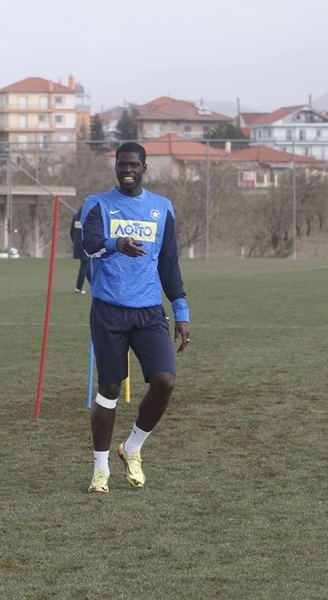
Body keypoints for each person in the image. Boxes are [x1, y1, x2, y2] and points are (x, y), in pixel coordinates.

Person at [80, 141, 191, 494]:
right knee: (109, 390)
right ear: (115, 166)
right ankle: (100, 469)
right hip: (109, 310)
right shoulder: (97, 204)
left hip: (148, 311)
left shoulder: (162, 208)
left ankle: (132, 448)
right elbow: (89, 246)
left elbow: (169, 263)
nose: (127, 169)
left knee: (165, 381)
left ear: (145, 168)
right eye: (122, 164)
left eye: (134, 165)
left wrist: (181, 310)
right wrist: (116, 244)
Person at [69, 209, 91, 294]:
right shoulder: (88, 217)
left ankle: (93, 285)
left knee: (86, 265)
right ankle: (78, 288)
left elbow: (71, 232)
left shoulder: (75, 217)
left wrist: (74, 242)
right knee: (84, 266)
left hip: (77, 245)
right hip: (86, 245)